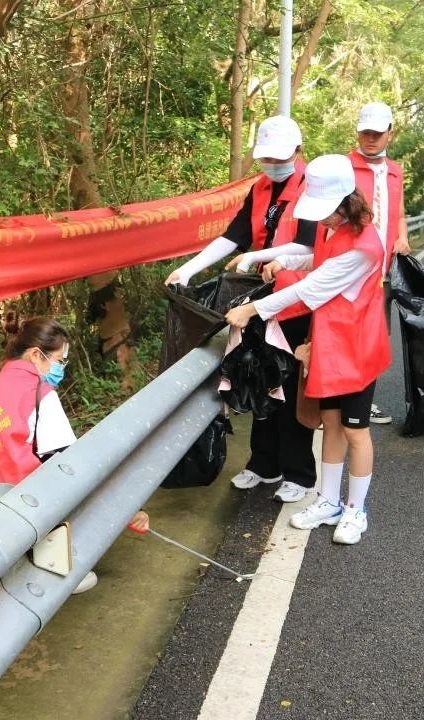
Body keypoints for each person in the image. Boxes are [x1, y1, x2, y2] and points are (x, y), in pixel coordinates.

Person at [224, 155, 390, 545]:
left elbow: (311, 287)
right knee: (330, 423)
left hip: (357, 349)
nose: (322, 219)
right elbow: (315, 257)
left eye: (327, 210)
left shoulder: (366, 246)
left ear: (348, 201)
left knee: (355, 430)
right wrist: (276, 257)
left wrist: (252, 309)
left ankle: (355, 510)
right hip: (329, 345)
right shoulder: (334, 229)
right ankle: (328, 500)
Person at [0, 314, 149, 591]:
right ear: (36, 355)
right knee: (81, 574)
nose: (61, 369)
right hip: (15, 525)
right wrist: (125, 508)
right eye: (60, 360)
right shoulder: (39, 393)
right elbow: (72, 470)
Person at [168, 115, 319, 504]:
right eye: (267, 158)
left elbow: (308, 246)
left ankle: (299, 472)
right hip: (259, 302)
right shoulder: (261, 188)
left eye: (280, 157)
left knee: (289, 389)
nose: (273, 164)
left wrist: (257, 256)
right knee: (257, 381)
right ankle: (264, 464)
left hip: (296, 303)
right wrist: (188, 269)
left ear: (298, 151)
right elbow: (233, 237)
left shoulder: (312, 186)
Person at [348, 101, 410, 425]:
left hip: (383, 275)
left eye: (377, 133)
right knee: (345, 335)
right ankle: (337, 401)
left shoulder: (395, 171)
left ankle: (363, 402)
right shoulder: (344, 167)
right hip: (350, 273)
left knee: (374, 339)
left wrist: (403, 238)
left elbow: (398, 213)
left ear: (390, 133)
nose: (371, 138)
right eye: (366, 132)